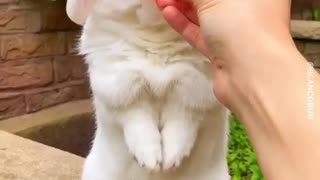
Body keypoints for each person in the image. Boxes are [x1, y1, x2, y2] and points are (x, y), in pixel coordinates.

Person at [67, 0, 320, 179]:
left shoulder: (206, 26)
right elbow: (107, 78)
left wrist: (186, 116)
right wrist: (134, 118)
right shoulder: (106, 29)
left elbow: (206, 81)